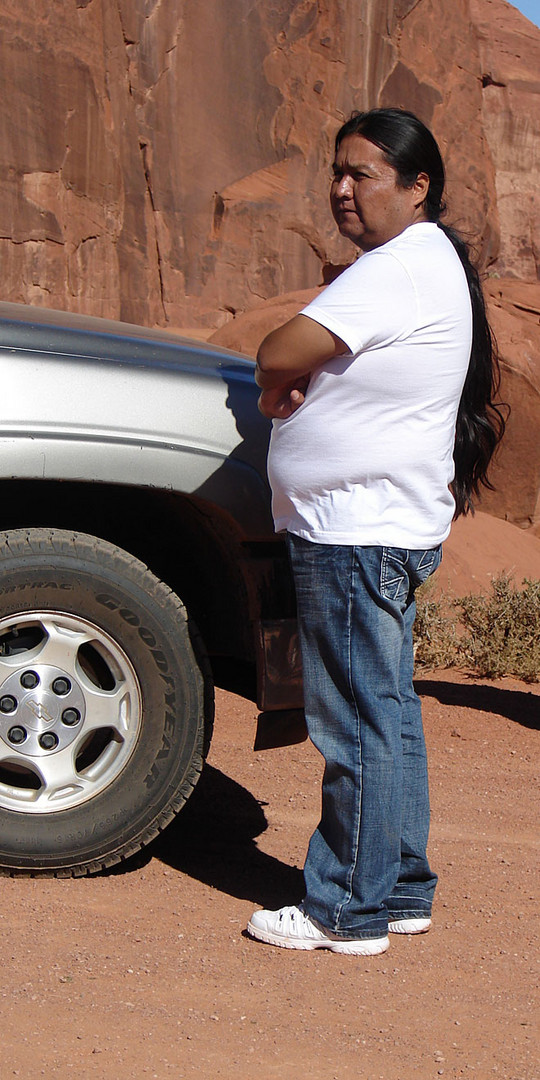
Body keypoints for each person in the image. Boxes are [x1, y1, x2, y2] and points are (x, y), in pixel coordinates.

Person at [246, 108, 506, 955]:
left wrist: (282, 382)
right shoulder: (423, 264)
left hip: (355, 531)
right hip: (374, 525)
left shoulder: (396, 267)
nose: (342, 189)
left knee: (355, 721)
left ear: (418, 186)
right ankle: (397, 890)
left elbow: (282, 347)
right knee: (386, 716)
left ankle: (344, 912)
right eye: (337, 171)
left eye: (363, 173)